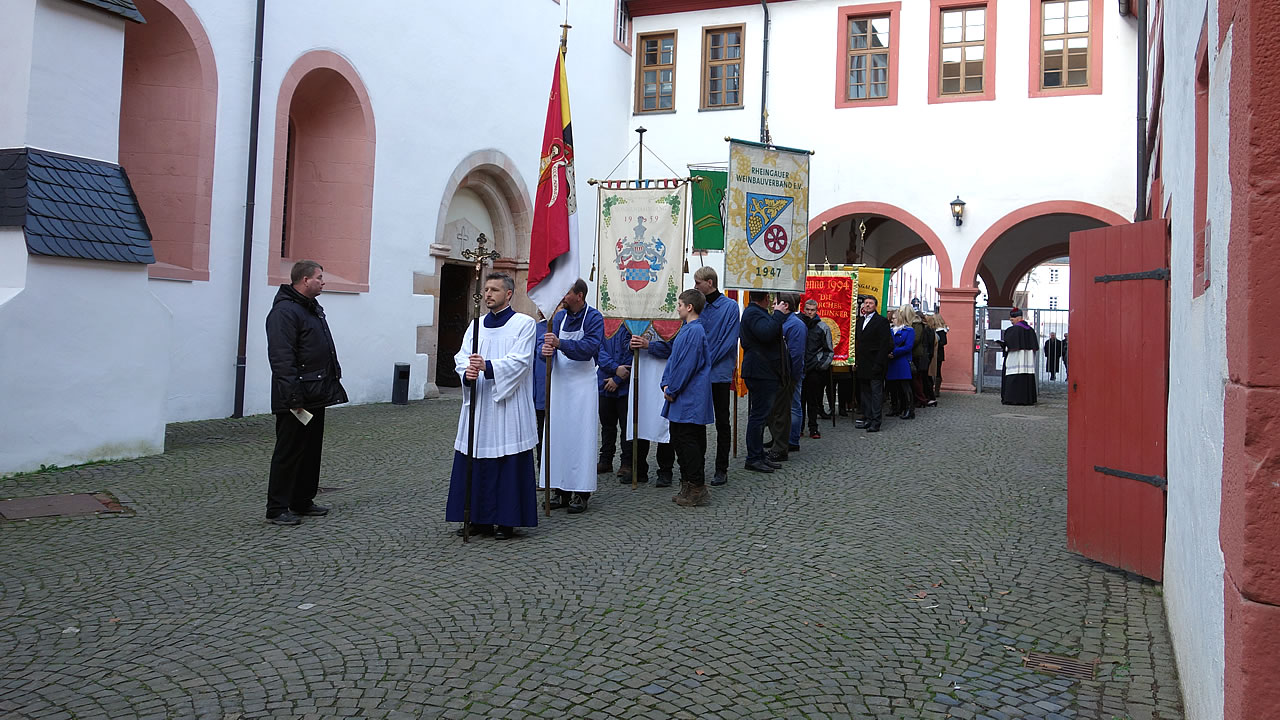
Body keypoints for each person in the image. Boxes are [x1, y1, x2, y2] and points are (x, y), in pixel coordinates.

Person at [446, 272, 539, 539]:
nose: (488, 294)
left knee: (506, 458)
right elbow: (461, 356)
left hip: (507, 403)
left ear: (508, 294)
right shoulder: (476, 325)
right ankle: (477, 517)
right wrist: (468, 372)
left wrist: (487, 366)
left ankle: (507, 519)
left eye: (494, 290)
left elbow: (520, 361)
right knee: (475, 456)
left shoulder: (524, 324)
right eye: (486, 289)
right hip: (479, 402)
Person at [265, 260, 349, 526]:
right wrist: (293, 398)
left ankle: (302, 500)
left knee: (311, 451)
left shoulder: (311, 309)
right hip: (296, 397)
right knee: (288, 452)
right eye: (319, 277)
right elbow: (282, 358)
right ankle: (277, 507)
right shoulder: (284, 312)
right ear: (304, 280)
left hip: (316, 393)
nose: (323, 282)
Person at [541, 278, 604, 513]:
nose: (563, 297)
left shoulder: (594, 317)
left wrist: (559, 344)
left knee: (580, 436)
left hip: (582, 385)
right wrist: (545, 350)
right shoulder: (558, 318)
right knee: (557, 435)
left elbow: (589, 348)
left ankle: (581, 491)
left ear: (579, 295)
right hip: (559, 383)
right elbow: (546, 346)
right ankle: (559, 488)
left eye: (566, 293)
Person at [661, 290, 715, 507]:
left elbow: (686, 366)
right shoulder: (687, 330)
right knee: (680, 439)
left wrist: (672, 389)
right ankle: (688, 483)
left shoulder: (694, 332)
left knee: (689, 441)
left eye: (680, 304)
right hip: (683, 396)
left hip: (689, 398)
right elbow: (674, 360)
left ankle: (696, 486)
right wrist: (665, 383)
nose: (678, 307)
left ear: (690, 307)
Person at [693, 267, 740, 486]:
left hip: (719, 373)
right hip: (700, 374)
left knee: (722, 421)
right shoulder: (698, 308)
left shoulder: (730, 307)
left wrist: (706, 360)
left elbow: (729, 342)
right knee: (698, 421)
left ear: (709, 283)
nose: (695, 287)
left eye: (698, 283)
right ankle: (697, 465)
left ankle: (722, 468)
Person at [739, 291, 786, 473]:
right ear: (766, 298)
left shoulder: (756, 312)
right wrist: (779, 315)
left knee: (761, 415)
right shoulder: (752, 313)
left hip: (764, 371)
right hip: (760, 372)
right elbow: (766, 333)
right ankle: (753, 457)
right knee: (758, 417)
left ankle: (758, 455)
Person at [627, 332, 676, 487]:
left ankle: (665, 470)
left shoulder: (672, 316)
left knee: (663, 423)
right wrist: (630, 345)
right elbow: (622, 341)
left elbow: (673, 347)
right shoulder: (637, 316)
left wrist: (649, 345)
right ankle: (639, 469)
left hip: (662, 371)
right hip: (641, 371)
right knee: (640, 418)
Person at [767, 293, 804, 458]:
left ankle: (790, 442)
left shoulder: (796, 325)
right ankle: (778, 439)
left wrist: (793, 377)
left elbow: (796, 354)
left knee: (790, 409)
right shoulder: (782, 322)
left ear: (786, 305)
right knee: (777, 410)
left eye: (775, 303)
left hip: (789, 374)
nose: (773, 307)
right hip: (779, 374)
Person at [596, 323, 635, 478]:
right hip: (605, 381)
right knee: (607, 426)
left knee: (627, 426)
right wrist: (614, 369)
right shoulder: (601, 324)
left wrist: (618, 378)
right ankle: (606, 459)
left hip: (625, 384)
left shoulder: (631, 324)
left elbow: (632, 354)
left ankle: (627, 462)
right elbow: (599, 350)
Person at [853, 295, 891, 432]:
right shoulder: (860, 321)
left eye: (870, 303)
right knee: (865, 393)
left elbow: (884, 344)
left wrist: (879, 363)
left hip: (876, 363)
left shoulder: (881, 322)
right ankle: (868, 418)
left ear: (875, 306)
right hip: (863, 363)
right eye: (865, 303)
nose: (867, 305)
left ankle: (876, 421)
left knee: (876, 393)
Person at [800, 299, 833, 439]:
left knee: (813, 401)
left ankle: (813, 428)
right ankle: (798, 428)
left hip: (814, 369)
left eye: (812, 310)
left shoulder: (823, 327)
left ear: (816, 311)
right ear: (804, 309)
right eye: (807, 309)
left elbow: (829, 350)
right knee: (799, 401)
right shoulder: (799, 324)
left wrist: (821, 366)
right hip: (800, 368)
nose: (809, 312)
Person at [1000, 308, 1039, 405]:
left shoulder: (1013, 330)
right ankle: (1027, 399)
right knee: (1026, 377)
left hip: (1015, 358)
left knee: (1012, 376)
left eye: (1012, 318)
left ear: (1018, 318)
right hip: (1027, 359)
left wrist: (1003, 346)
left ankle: (1012, 398)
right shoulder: (1030, 329)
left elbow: (1008, 345)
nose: (1010, 320)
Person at [887, 305, 917, 420]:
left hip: (902, 360)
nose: (892, 319)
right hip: (892, 361)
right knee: (893, 386)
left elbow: (908, 346)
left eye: (894, 318)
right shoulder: (890, 330)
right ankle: (895, 407)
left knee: (905, 386)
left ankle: (909, 409)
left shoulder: (908, 330)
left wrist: (894, 352)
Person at [910, 307, 932, 408]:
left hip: (919, 355)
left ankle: (922, 399)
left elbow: (916, 340)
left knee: (918, 378)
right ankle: (924, 398)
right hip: (923, 355)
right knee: (920, 378)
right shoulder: (925, 327)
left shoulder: (919, 326)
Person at [932, 314, 949, 396]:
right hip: (937, 352)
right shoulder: (937, 330)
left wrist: (936, 344)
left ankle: (936, 390)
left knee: (937, 371)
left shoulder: (941, 330)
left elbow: (944, 342)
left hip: (938, 353)